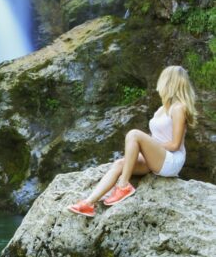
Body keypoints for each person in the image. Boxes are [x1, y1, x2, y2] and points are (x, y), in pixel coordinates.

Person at [68, 66, 197, 217]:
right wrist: (146, 148)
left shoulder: (178, 108)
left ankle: (123, 186)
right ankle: (88, 203)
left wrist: (146, 146)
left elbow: (175, 145)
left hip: (171, 160)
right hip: (158, 158)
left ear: (169, 82)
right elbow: (156, 137)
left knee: (134, 134)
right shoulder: (162, 109)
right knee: (119, 164)